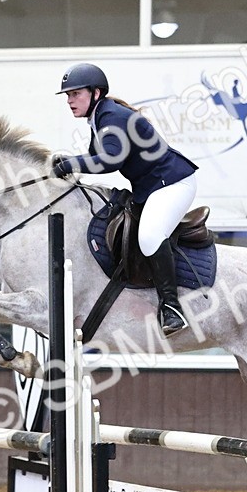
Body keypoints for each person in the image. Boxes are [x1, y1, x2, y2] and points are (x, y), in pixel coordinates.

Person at [52, 63, 197, 336]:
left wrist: (72, 163)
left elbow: (110, 160)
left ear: (96, 93)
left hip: (173, 183)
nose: (70, 101)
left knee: (150, 236)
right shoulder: (98, 118)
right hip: (151, 187)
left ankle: (172, 308)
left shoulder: (112, 116)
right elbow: (98, 159)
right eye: (67, 96)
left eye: (75, 94)